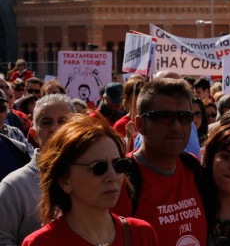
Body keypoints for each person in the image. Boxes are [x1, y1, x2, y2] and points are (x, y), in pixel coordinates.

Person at [21, 114, 159, 245]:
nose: (112, 176)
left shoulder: (141, 233)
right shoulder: (40, 243)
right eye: (98, 168)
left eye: (119, 165)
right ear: (65, 181)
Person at [112, 77, 207, 245]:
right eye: (164, 117)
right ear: (140, 125)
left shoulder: (192, 166)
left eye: (185, 117)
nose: (177, 126)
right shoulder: (120, 180)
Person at [0, 94, 74, 245]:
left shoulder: (94, 176)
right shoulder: (13, 187)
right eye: (46, 122)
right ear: (34, 134)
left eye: (63, 121)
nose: (55, 128)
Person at [113, 79, 143, 152]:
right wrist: (128, 137)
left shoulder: (147, 121)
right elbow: (119, 153)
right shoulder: (121, 124)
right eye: (137, 99)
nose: (140, 103)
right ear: (126, 97)